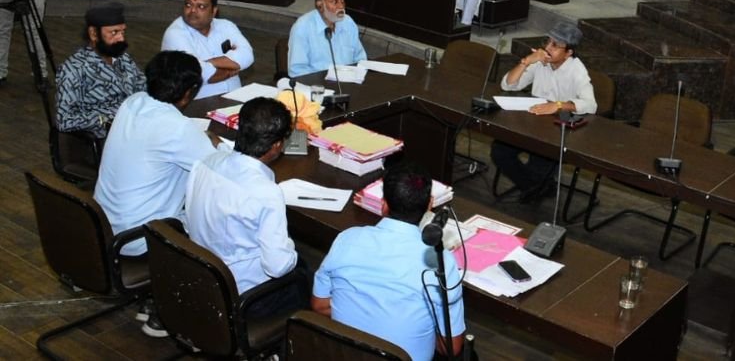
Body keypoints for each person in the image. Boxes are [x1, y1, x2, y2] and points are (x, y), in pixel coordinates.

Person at [312, 161, 465, 360]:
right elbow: (451, 347)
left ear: (383, 204)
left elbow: (320, 305)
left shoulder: (347, 239)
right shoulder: (440, 260)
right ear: (430, 205)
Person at [185, 97, 305, 318]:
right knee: (306, 275)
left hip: (203, 275)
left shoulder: (204, 163)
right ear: (277, 145)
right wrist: (289, 244)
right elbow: (277, 267)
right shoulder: (266, 193)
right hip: (244, 296)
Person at [94, 51, 217, 256]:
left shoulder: (132, 102)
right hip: (141, 238)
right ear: (188, 93)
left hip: (105, 225)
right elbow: (220, 170)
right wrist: (218, 144)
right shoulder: (177, 128)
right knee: (219, 212)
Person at [492, 21, 597, 202]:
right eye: (547, 41)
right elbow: (508, 85)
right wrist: (526, 62)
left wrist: (558, 105)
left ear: (568, 53)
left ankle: (536, 187)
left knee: (538, 165)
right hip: (533, 123)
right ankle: (538, 187)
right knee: (499, 151)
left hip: (557, 131)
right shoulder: (540, 61)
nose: (547, 48)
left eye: (555, 45)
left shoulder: (577, 70)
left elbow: (590, 105)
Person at [55, 2, 146, 139]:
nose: (121, 38)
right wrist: (108, 117)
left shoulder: (122, 57)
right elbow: (64, 120)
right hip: (106, 139)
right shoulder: (74, 69)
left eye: (123, 32)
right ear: (93, 34)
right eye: (114, 32)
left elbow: (143, 86)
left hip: (136, 128)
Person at [161, 0, 255, 99]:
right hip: (197, 104)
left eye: (201, 6)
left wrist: (208, 62)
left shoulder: (226, 26)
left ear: (214, 11)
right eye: (188, 5)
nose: (193, 10)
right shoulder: (175, 34)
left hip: (235, 97)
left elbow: (247, 56)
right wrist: (230, 70)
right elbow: (199, 74)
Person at [288, 0, 367, 77]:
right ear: (320, 5)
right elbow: (297, 70)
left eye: (342, 1)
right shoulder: (302, 27)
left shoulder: (348, 23)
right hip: (316, 84)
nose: (341, 6)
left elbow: (360, 59)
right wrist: (324, 81)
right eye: (335, 2)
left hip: (348, 82)